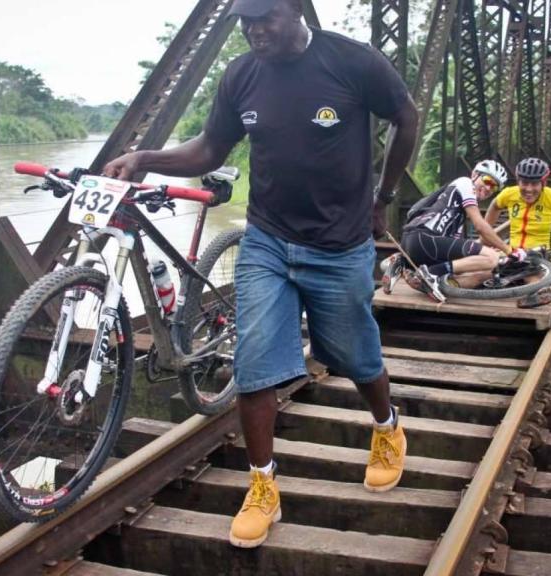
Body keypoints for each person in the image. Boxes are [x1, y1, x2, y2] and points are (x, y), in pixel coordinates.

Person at [103, 0, 419, 549]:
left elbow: (406, 116)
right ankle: (262, 487)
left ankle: (388, 427)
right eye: (243, 21)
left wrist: (384, 197)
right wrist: (145, 157)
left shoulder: (352, 62)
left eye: (264, 17)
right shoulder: (241, 74)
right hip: (267, 239)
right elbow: (209, 148)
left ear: (296, 9)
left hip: (339, 246)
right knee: (255, 361)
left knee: (352, 356)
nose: (253, 30)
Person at [380, 160, 515, 302]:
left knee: (463, 266)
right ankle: (430, 274)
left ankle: (402, 262)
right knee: (491, 258)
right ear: (475, 174)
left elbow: (457, 255)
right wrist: (508, 250)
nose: (489, 188)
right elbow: (480, 226)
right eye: (487, 181)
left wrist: (483, 252)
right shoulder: (465, 183)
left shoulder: (458, 215)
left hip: (414, 242)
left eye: (494, 188)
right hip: (425, 238)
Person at [485, 158, 551, 302]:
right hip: (513, 253)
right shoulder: (509, 194)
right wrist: (486, 235)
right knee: (478, 272)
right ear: (518, 181)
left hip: (542, 259)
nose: (528, 189)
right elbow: (495, 205)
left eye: (534, 184)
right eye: (524, 183)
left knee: (532, 280)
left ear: (543, 183)